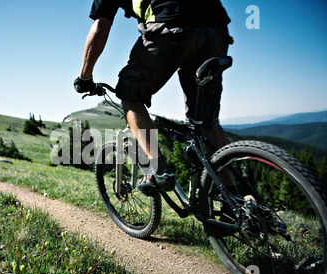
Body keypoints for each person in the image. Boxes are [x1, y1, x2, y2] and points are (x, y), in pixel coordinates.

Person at [74, 0, 234, 195]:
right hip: (217, 28)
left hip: (171, 24)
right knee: (206, 121)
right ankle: (232, 201)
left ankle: (159, 172)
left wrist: (84, 77)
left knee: (130, 94)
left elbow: (100, 27)